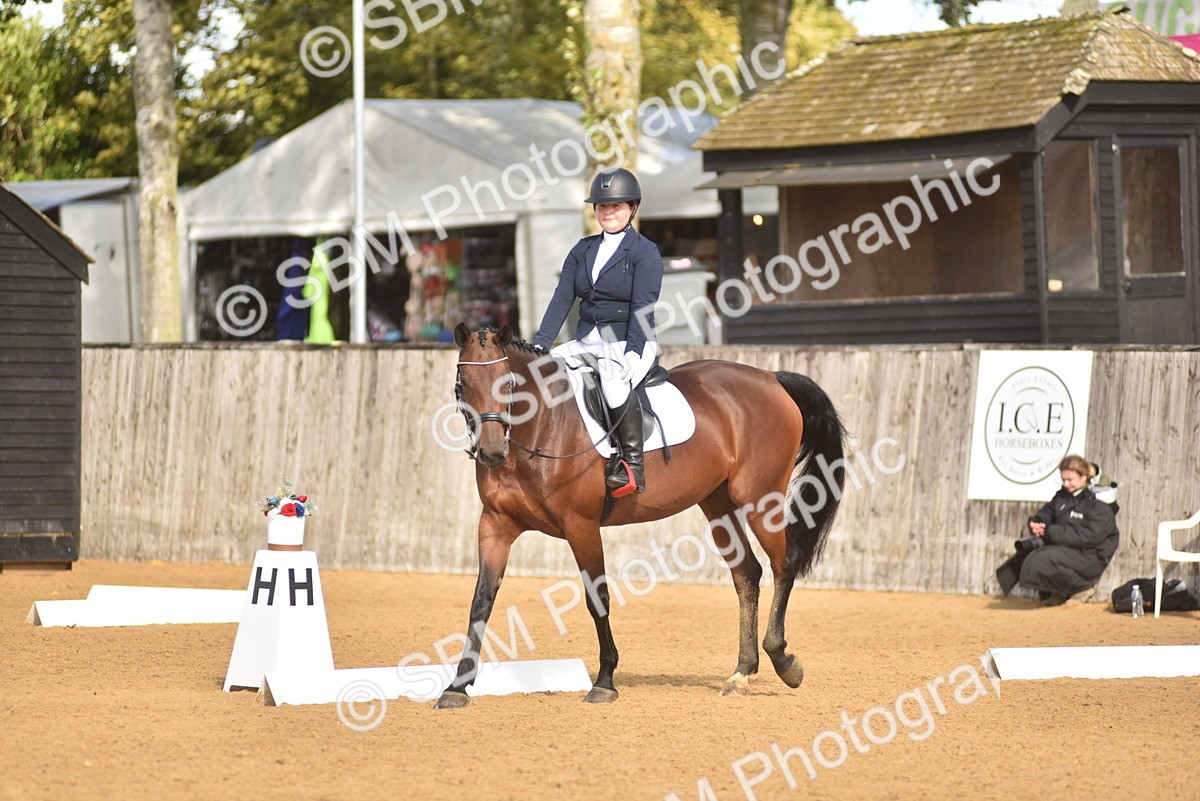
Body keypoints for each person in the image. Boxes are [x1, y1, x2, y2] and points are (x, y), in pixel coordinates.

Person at [531, 167, 664, 497]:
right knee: (541, 371)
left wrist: (633, 354)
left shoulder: (645, 252)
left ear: (632, 207)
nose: (608, 212)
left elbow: (643, 308)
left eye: (616, 206)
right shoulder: (582, 249)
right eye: (603, 207)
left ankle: (632, 466)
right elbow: (562, 299)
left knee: (613, 379)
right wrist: (539, 345)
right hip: (587, 340)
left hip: (631, 339)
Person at [996, 454, 1120, 606]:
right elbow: (1048, 512)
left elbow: (1088, 537)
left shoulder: (1100, 503)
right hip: (1067, 549)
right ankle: (1058, 592)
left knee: (1042, 560)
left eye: (1070, 480)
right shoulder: (1063, 496)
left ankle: (1081, 589)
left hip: (1091, 554)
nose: (1066, 484)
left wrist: (1049, 532)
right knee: (1025, 553)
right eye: (1063, 480)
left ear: (1084, 477)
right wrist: (1037, 523)